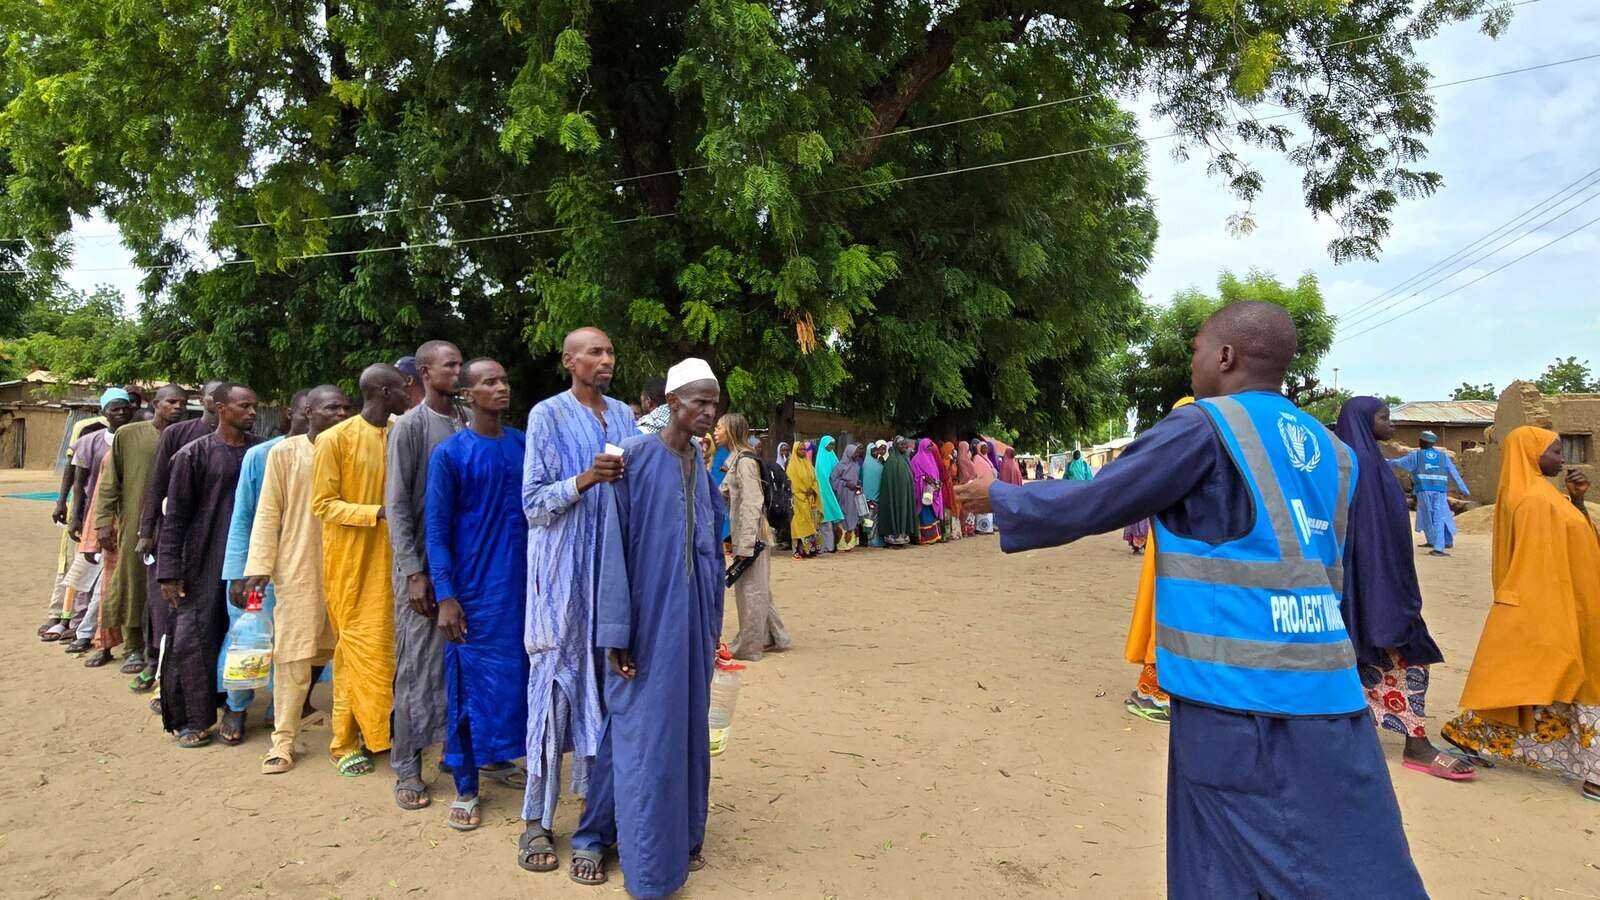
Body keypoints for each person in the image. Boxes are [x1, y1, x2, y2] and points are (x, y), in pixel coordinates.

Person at [957, 301, 1426, 899]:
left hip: (1240, 704)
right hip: (1325, 694)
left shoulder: (1205, 426)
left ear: (1226, 356)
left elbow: (1102, 498)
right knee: (1289, 862)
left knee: (1299, 876)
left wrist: (1002, 495)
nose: (1193, 363)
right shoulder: (1332, 450)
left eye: (1197, 350)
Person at [593, 358, 725, 897]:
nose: (709, 413)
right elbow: (613, 550)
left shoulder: (698, 460)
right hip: (646, 625)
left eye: (715, 404)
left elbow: (709, 548)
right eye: (699, 402)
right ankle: (647, 865)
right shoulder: (635, 459)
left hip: (691, 623)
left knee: (689, 728)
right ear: (671, 403)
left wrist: (710, 621)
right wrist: (615, 632)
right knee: (645, 736)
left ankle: (685, 837)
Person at [520, 327, 634, 880]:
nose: (606, 359)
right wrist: (587, 478)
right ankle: (536, 820)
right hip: (559, 579)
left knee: (608, 691)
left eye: (610, 351)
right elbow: (533, 503)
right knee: (553, 688)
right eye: (594, 351)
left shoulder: (626, 416)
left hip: (609, 577)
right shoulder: (546, 414)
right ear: (569, 360)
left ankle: (598, 816)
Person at [1439, 426, 1600, 799]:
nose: (1563, 459)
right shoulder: (1533, 501)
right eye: (1556, 451)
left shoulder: (1547, 495)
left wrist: (1576, 501)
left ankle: (1471, 735)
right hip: (1558, 605)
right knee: (1572, 678)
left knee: (1546, 683)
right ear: (1531, 453)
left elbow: (1580, 544)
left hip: (1577, 601)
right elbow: (1537, 567)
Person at [1334, 397, 1473, 781]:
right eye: (1384, 417)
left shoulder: (1374, 464)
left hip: (1385, 578)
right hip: (1366, 582)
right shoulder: (1349, 467)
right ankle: (1413, 743)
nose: (1391, 424)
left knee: (1396, 654)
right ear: (1364, 422)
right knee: (1395, 653)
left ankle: (1411, 738)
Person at [425, 358, 532, 831]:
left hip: (524, 590)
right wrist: (445, 595)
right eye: (489, 381)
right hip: (473, 594)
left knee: (522, 681)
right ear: (468, 394)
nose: (501, 387)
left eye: (504, 379)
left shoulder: (523, 446)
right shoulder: (450, 454)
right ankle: (467, 788)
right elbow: (436, 530)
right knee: (468, 689)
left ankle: (507, 759)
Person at [242, 384, 349, 774]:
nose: (340, 414)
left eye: (345, 407)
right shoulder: (284, 453)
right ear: (307, 412)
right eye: (331, 408)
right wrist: (258, 568)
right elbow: (268, 512)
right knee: (292, 656)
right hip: (299, 569)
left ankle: (348, 737)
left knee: (350, 656)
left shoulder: (351, 447)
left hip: (349, 570)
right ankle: (282, 741)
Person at [312, 363, 410, 775]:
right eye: (404, 387)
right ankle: (344, 741)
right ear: (384, 391)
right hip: (352, 561)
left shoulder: (402, 432)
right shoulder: (335, 439)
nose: (411, 392)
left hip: (397, 559)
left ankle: (379, 731)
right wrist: (378, 513)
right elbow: (323, 504)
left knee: (388, 651)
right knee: (356, 650)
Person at [385, 339, 469, 810]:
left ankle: (464, 756)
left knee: (461, 661)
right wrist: (413, 571)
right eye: (449, 365)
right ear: (423, 371)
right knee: (417, 667)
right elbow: (396, 504)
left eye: (460, 364)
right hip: (421, 570)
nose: (457, 372)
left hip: (460, 568)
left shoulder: (463, 421)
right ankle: (407, 767)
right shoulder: (411, 428)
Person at [157, 383, 262, 748]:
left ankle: (237, 707)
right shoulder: (192, 455)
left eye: (254, 407)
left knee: (245, 635)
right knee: (193, 637)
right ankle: (193, 718)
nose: (251, 412)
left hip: (247, 562)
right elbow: (175, 518)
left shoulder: (260, 452)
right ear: (220, 408)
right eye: (243, 406)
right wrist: (168, 571)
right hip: (200, 559)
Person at [215, 390, 308, 744]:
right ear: (291, 414)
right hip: (259, 570)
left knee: (296, 643)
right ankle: (237, 707)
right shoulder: (261, 455)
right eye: (305, 413)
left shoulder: (329, 452)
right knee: (250, 639)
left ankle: (282, 709)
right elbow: (243, 517)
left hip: (301, 570)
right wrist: (241, 571)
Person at [133, 380, 222, 701]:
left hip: (216, 539)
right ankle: (159, 672)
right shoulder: (178, 435)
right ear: (207, 401)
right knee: (166, 607)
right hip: (175, 533)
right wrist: (147, 531)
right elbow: (157, 486)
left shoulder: (243, 442)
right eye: (216, 396)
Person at [94, 384, 188, 680]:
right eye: (171, 402)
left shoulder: (190, 436)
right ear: (155, 404)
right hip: (136, 522)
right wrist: (102, 522)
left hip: (175, 525)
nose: (178, 407)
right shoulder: (129, 435)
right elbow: (110, 484)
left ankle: (162, 650)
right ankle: (133, 644)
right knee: (132, 583)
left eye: (183, 403)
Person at [719, 413, 792, 661]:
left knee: (751, 591)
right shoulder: (737, 460)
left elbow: (752, 502)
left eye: (719, 427)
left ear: (730, 431)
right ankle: (777, 637)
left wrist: (747, 544)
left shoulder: (746, 462)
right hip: (749, 534)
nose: (715, 431)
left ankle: (750, 645)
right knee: (759, 589)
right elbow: (723, 493)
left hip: (753, 536)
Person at [1388, 430, 1468, 555]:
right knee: (1439, 515)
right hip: (1440, 490)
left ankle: (1438, 547)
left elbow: (1399, 463)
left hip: (1424, 490)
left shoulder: (1416, 456)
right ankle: (1437, 541)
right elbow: (1454, 474)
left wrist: (1383, 461)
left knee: (1429, 517)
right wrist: (1464, 489)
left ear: (1420, 442)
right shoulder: (1443, 457)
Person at [876, 438, 917, 548]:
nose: (904, 446)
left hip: (904, 495)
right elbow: (889, 483)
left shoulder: (904, 460)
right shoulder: (891, 462)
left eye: (905, 444)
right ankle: (893, 538)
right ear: (895, 446)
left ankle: (903, 536)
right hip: (894, 496)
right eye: (901, 444)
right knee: (895, 512)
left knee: (903, 513)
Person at [785, 441, 822, 559]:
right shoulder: (792, 466)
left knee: (810, 524)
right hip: (798, 499)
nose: (802, 451)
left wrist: (812, 489)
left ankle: (809, 550)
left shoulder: (809, 464)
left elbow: (815, 479)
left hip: (810, 499)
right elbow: (792, 482)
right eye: (800, 449)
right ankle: (798, 550)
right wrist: (803, 491)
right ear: (795, 451)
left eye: (804, 449)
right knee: (798, 523)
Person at [813, 436, 846, 552]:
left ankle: (831, 546)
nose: (831, 447)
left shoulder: (833, 457)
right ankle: (826, 547)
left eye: (833, 444)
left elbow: (839, 472)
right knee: (825, 521)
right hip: (824, 494)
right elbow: (822, 480)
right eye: (829, 444)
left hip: (834, 491)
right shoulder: (820, 461)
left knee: (832, 522)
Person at [908, 439, 944, 545]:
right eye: (928, 447)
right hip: (923, 490)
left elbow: (935, 473)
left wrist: (937, 483)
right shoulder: (916, 460)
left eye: (930, 447)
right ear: (922, 447)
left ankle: (935, 536)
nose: (929, 449)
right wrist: (925, 478)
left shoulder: (931, 458)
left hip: (934, 490)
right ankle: (926, 538)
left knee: (933, 512)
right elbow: (916, 475)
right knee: (925, 512)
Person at [830, 442, 864, 551]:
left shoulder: (856, 465)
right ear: (849, 453)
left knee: (853, 515)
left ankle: (851, 544)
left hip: (853, 494)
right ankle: (842, 544)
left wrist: (858, 484)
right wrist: (845, 484)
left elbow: (856, 477)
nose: (857, 454)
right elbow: (833, 480)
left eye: (857, 452)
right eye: (855, 452)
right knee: (844, 515)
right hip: (844, 494)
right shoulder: (840, 466)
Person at [968, 440, 997, 535]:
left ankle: (988, 528)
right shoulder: (977, 458)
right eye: (983, 448)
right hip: (982, 486)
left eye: (986, 448)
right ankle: (981, 528)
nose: (986, 449)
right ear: (979, 449)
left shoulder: (986, 458)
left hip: (988, 485)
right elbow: (977, 473)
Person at [861, 441, 886, 547]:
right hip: (868, 497)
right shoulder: (866, 465)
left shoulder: (878, 463)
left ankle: (873, 539)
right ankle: (871, 540)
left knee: (874, 520)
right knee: (869, 520)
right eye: (873, 451)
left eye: (876, 450)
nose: (875, 452)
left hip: (877, 496)